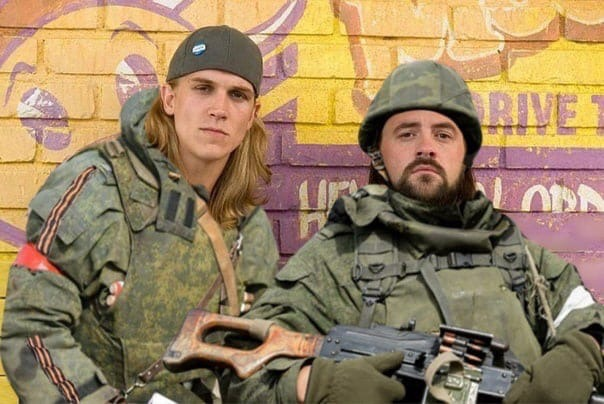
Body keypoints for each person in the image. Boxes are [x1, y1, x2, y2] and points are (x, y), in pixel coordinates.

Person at [225, 60, 604, 403]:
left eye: (443, 135)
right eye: (407, 134)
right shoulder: (338, 258)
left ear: (465, 155)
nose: (426, 148)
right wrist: (315, 385)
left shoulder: (512, 251)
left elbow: (587, 317)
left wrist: (583, 353)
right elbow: (245, 370)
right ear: (379, 155)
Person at [1, 25, 279, 403]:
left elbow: (253, 357)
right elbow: (32, 330)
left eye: (238, 95)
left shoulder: (248, 225)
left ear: (252, 114)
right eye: (202, 88)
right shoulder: (98, 187)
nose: (219, 109)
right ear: (169, 98)